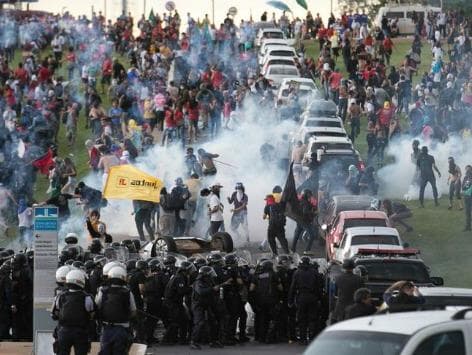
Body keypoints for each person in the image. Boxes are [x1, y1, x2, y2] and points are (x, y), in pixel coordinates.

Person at [51, 269, 94, 355]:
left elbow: (54, 314)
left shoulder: (60, 296)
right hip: (81, 331)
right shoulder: (87, 297)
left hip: (64, 330)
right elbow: (92, 314)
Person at [96, 266, 136, 354]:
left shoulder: (102, 291)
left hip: (106, 327)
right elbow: (133, 311)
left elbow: (97, 307)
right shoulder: (128, 292)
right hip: (123, 328)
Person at [288, 257, 323, 345]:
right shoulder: (314, 272)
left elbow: (292, 288)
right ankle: (312, 338)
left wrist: (290, 300)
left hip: (301, 297)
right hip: (313, 297)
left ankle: (302, 339)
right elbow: (319, 287)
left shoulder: (297, 272)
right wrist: (320, 298)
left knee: (301, 318)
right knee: (312, 318)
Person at [331, 258, 364, 324]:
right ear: (353, 267)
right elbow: (362, 293)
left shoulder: (338, 278)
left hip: (340, 308)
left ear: (343, 267)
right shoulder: (359, 279)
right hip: (354, 308)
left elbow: (334, 294)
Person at [291, 189, 318, 254]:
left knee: (296, 235)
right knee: (312, 235)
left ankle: (292, 249)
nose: (310, 196)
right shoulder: (305, 202)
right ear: (306, 195)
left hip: (299, 220)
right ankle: (307, 250)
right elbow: (305, 212)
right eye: (309, 195)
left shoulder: (300, 201)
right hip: (305, 221)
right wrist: (314, 213)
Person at [462, 165, 472, 232]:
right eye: (466, 170)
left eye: (469, 169)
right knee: (467, 213)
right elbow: (463, 187)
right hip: (467, 197)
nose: (468, 171)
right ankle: (468, 226)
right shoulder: (465, 177)